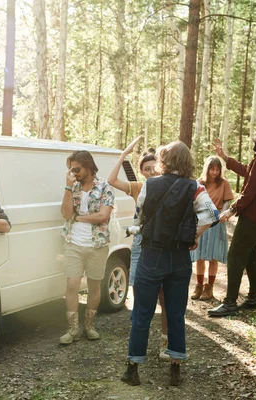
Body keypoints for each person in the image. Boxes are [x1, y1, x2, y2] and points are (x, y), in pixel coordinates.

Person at [120, 141, 219, 387]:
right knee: (175, 313)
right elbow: (212, 214)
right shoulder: (195, 187)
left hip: (152, 255)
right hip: (180, 257)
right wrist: (194, 236)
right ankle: (175, 370)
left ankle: (133, 369)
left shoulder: (149, 185)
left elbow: (140, 217)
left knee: (142, 312)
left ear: (164, 161)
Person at [107, 136, 171, 361]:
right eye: (146, 168)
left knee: (165, 298)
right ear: (142, 171)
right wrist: (123, 155)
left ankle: (165, 343)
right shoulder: (137, 187)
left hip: (163, 246)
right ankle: (138, 346)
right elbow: (112, 180)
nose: (151, 171)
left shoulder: (169, 186)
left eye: (154, 167)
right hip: (142, 245)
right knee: (140, 297)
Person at [208, 125, 256, 317]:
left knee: (236, 256)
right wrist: (224, 157)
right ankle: (254, 296)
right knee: (252, 254)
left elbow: (250, 191)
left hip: (252, 217)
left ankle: (230, 302)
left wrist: (232, 209)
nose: (254, 138)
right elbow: (247, 172)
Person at [60, 150, 115, 345]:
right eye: (71, 169)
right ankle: (73, 329)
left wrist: (78, 217)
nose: (73, 172)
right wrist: (67, 188)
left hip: (97, 244)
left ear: (88, 167)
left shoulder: (105, 187)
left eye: (77, 169)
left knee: (94, 285)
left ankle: (89, 326)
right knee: (72, 284)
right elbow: (66, 213)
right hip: (73, 242)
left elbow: (103, 216)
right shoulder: (72, 187)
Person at [190, 156, 234, 301]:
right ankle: (199, 285)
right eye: (212, 169)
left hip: (216, 222)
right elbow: (193, 202)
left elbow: (227, 201)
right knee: (200, 256)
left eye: (217, 169)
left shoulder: (224, 184)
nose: (215, 172)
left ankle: (209, 288)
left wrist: (223, 214)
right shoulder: (199, 183)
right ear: (207, 169)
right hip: (201, 221)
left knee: (213, 256)